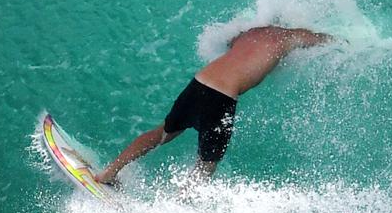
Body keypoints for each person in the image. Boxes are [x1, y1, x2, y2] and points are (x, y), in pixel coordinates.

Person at [96, 25, 330, 184]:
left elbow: (230, 42)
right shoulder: (291, 36)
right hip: (223, 97)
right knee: (207, 164)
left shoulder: (253, 32)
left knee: (163, 133)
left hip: (200, 81)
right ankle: (181, 208)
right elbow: (321, 40)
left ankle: (109, 172)